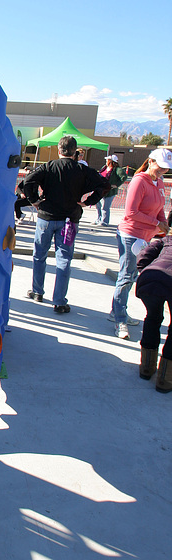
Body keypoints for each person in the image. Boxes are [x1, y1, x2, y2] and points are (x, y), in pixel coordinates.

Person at [23, 135, 109, 313]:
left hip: (46, 218)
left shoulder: (48, 167)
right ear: (75, 151)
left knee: (39, 256)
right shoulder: (82, 170)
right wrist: (88, 201)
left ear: (59, 150)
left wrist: (34, 200)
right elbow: (104, 184)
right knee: (64, 260)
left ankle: (37, 291)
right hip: (69, 220)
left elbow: (28, 180)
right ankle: (59, 301)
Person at [110, 148, 172, 339]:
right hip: (130, 234)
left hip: (145, 236)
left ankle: (118, 310)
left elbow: (160, 208)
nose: (162, 171)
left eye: (166, 169)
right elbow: (131, 212)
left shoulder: (159, 182)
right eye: (160, 167)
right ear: (151, 161)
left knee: (131, 275)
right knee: (126, 275)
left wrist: (164, 226)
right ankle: (119, 319)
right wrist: (156, 223)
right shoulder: (139, 181)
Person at [135, 212, 172, 392]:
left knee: (153, 317)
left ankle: (146, 368)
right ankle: (165, 379)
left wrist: (144, 271)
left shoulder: (164, 241)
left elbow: (143, 255)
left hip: (150, 279)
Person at [94, 154, 126, 226]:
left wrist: (116, 185)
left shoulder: (117, 169)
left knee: (105, 206)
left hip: (109, 191)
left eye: (107, 160)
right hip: (100, 189)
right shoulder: (105, 167)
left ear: (112, 161)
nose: (106, 161)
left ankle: (104, 221)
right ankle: (99, 219)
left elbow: (123, 177)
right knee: (98, 205)